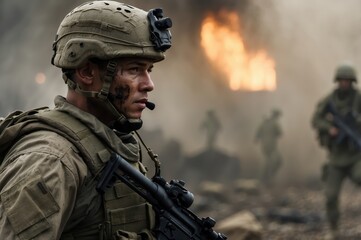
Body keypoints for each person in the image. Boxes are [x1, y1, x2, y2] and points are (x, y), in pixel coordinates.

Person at [0, 1, 172, 239]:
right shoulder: (51, 161)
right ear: (87, 72)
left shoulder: (107, 143)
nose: (148, 84)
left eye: (149, 70)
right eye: (134, 69)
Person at [311, 63, 361, 240]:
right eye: (342, 80)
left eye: (348, 80)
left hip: (356, 156)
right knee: (330, 195)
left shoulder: (358, 98)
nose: (345, 83)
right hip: (336, 158)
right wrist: (329, 128)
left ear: (352, 81)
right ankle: (334, 230)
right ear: (338, 81)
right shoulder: (329, 100)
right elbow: (316, 119)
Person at [254, 108, 283, 185]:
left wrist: (258, 139)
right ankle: (268, 178)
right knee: (278, 161)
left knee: (268, 161)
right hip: (271, 145)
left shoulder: (264, 122)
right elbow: (280, 133)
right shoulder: (274, 123)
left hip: (264, 145)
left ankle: (264, 179)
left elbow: (257, 134)